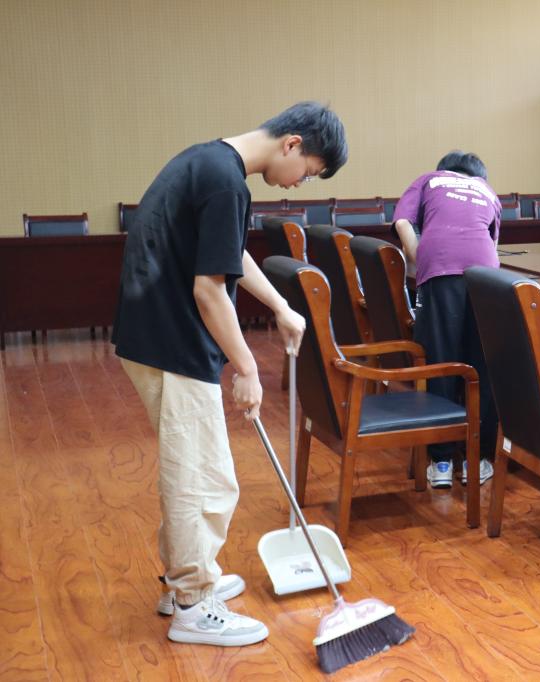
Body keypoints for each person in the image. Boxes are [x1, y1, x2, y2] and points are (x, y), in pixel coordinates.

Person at [112, 102, 347, 647]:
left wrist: (281, 308)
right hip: (171, 338)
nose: (299, 184)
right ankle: (193, 604)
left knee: (196, 469)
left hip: (156, 332)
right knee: (204, 478)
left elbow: (227, 254)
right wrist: (247, 368)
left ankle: (186, 579)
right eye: (308, 172)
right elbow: (209, 290)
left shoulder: (211, 163)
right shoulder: (226, 184)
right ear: (292, 144)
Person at [393, 151, 501, 489]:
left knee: (440, 359)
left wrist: (419, 255)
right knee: (481, 364)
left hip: (439, 266)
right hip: (486, 273)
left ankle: (440, 462)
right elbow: (492, 243)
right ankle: (475, 460)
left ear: (445, 170)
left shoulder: (429, 179)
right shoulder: (488, 191)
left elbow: (402, 222)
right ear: (479, 176)